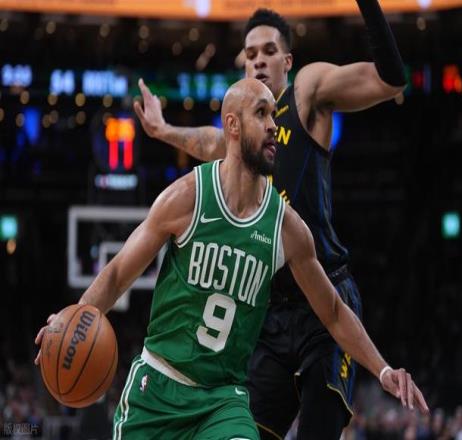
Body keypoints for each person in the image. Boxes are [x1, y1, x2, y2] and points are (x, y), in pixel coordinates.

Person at [35, 79, 427, 439]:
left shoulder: (287, 228)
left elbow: (335, 313)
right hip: (157, 389)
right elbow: (118, 273)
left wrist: (383, 369)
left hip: (223, 402)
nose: (273, 125)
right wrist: (74, 318)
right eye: (261, 113)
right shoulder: (187, 197)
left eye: (274, 114)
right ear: (232, 125)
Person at [134, 4, 408, 439]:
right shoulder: (244, 136)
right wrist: (163, 130)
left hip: (325, 303)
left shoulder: (307, 91)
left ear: (288, 61)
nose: (258, 60)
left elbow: (390, 79)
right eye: (250, 54)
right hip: (268, 315)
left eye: (268, 51)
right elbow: (209, 141)